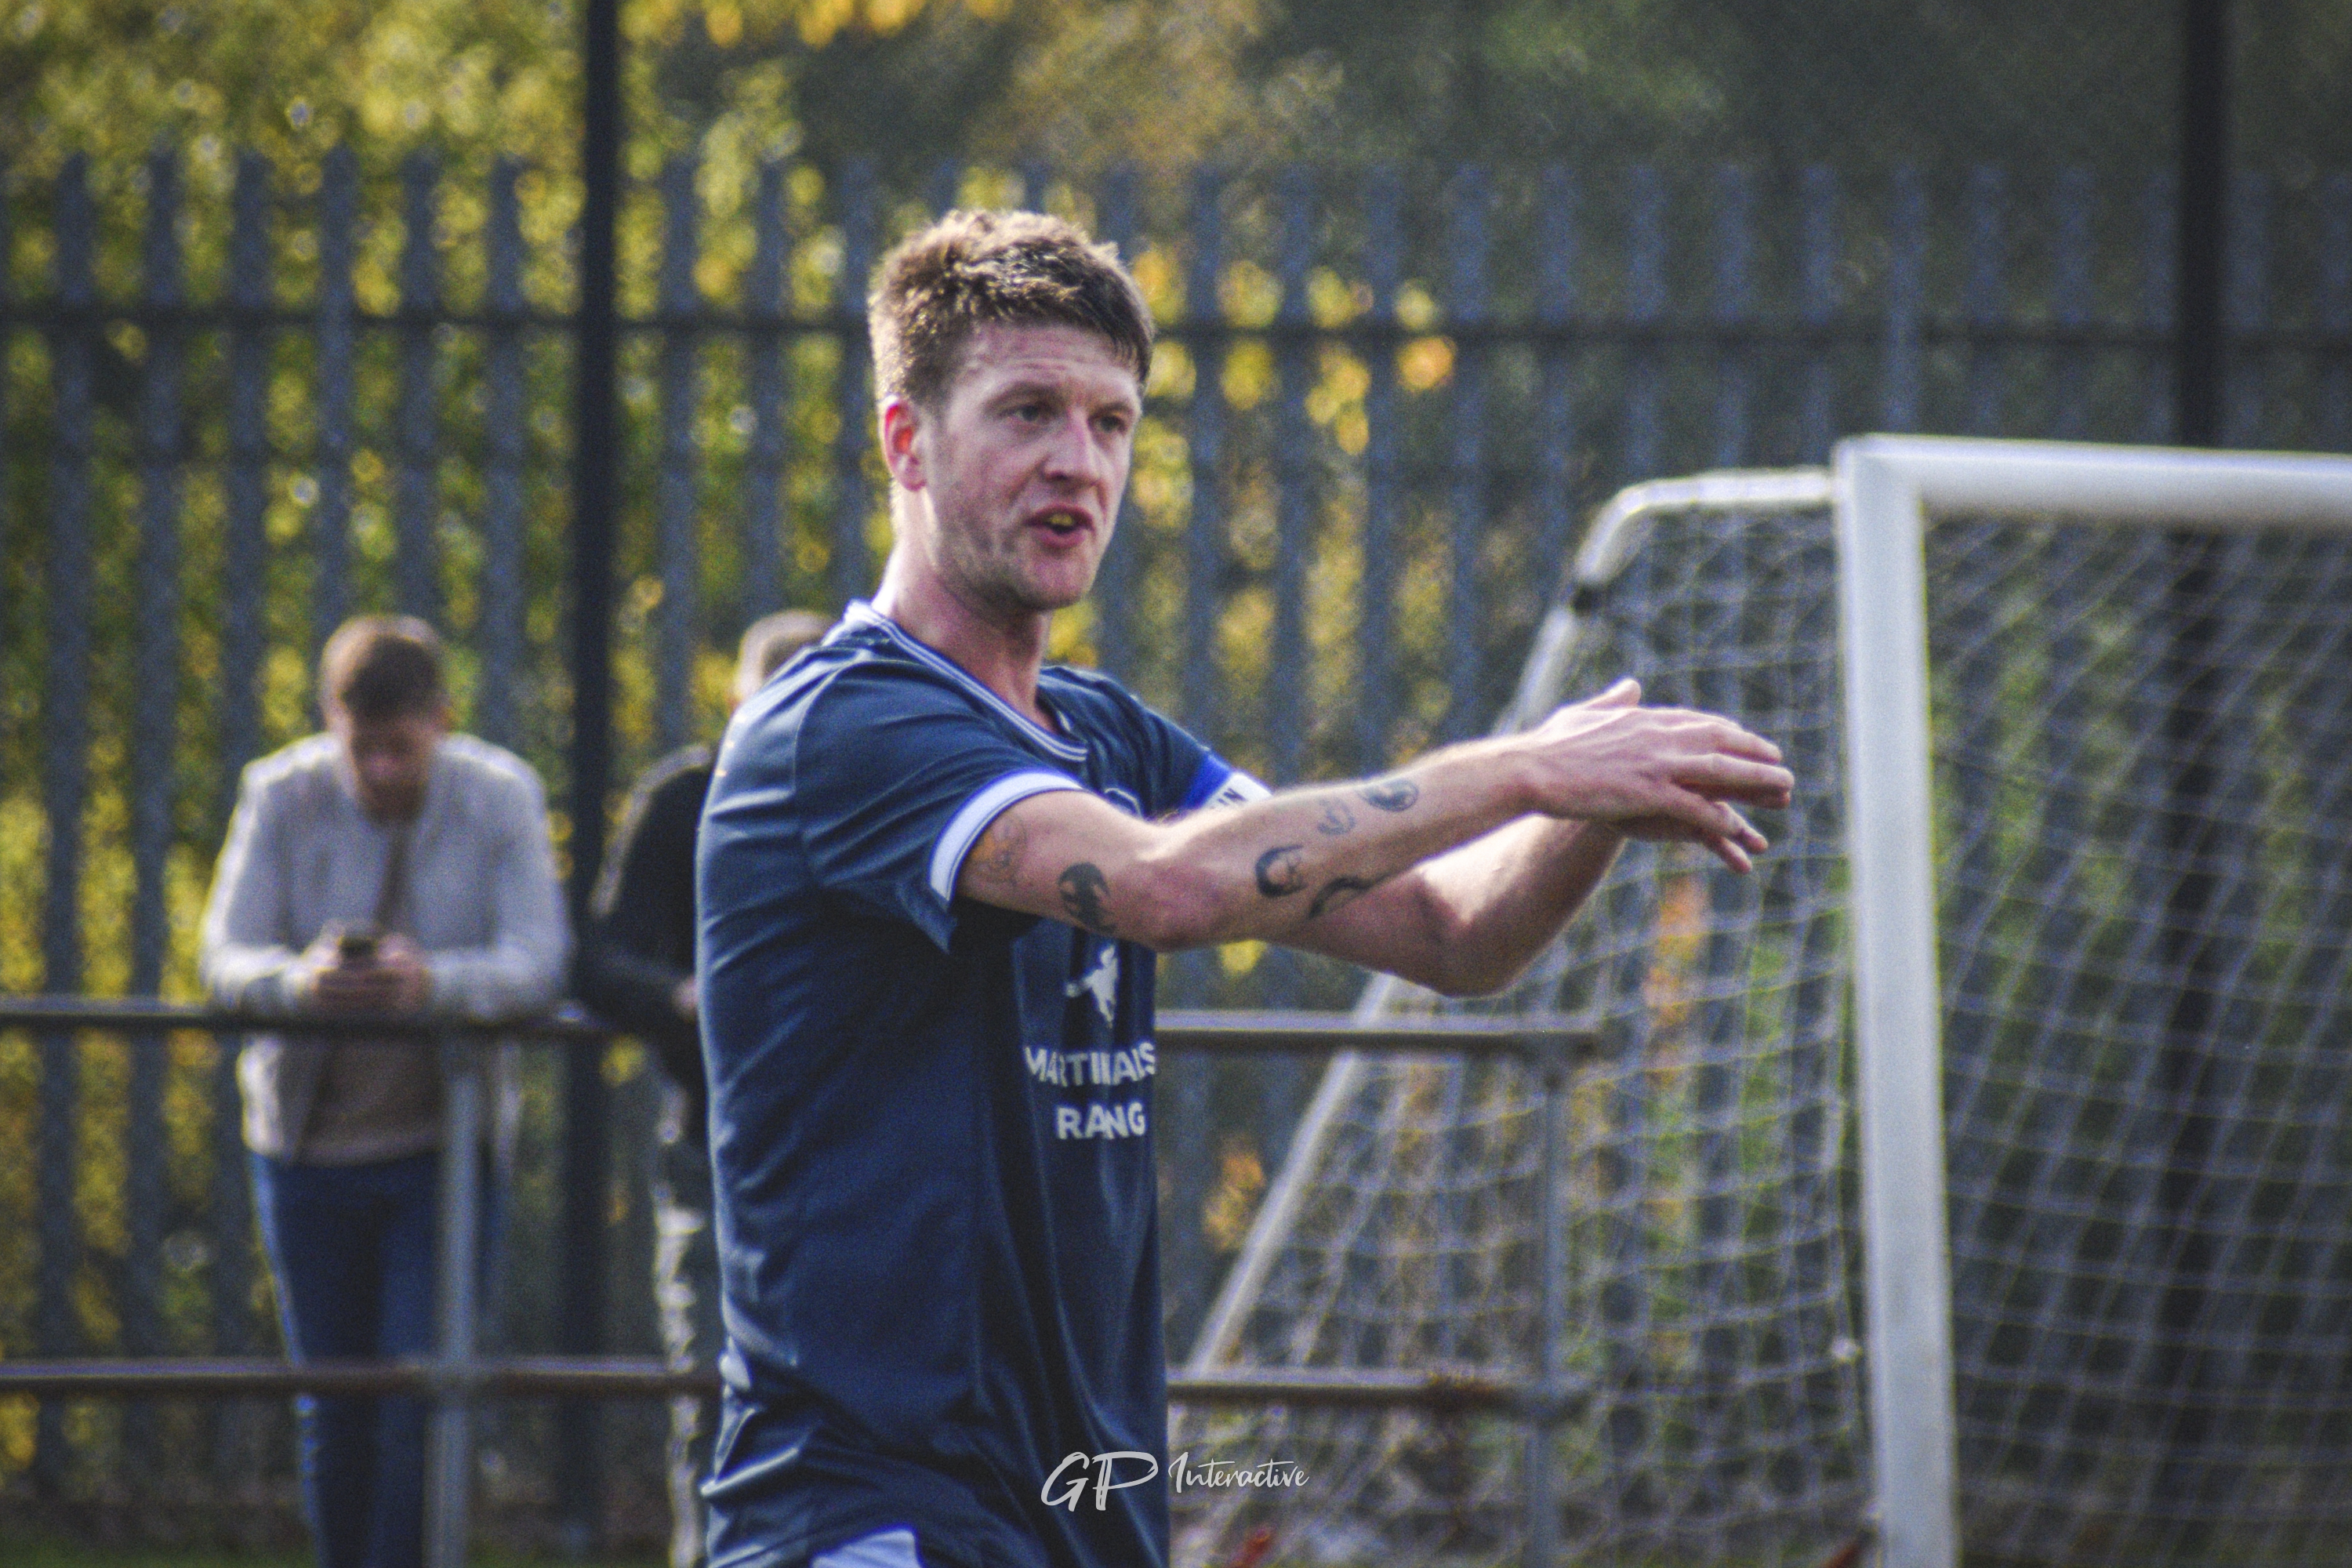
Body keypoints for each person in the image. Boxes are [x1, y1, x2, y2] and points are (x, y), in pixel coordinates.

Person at [695, 210, 1793, 1568]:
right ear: (906, 442)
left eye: (1111, 422)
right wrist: (1524, 767)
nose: (1076, 462)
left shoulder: (1107, 735)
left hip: (1086, 1505)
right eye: (1027, 411)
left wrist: (1597, 800)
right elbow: (1168, 890)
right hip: (877, 1524)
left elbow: (1455, 937)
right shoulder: (845, 731)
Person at [200, 614, 569, 1568]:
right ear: (331, 721)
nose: (382, 771)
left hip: (440, 1153)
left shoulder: (501, 796)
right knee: (334, 1405)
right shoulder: (279, 794)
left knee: (418, 1401)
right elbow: (224, 954)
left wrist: (434, 985)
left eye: (401, 748)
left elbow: (540, 958)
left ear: (442, 721)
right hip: (303, 1148)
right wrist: (299, 982)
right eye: (361, 748)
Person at [579, 608, 834, 1568]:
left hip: (853, 1153)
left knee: (847, 1410)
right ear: (737, 704)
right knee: (712, 1394)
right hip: (715, 1143)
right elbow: (598, 957)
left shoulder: (869, 796)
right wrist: (684, 996)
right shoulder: (683, 800)